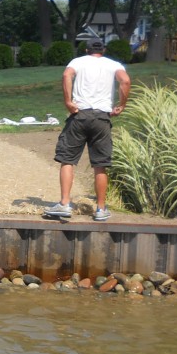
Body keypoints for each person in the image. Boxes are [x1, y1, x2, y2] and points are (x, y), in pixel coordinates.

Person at [46, 38, 131, 221]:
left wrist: (68, 101)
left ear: (86, 49)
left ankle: (65, 203)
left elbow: (66, 75)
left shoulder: (77, 62)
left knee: (68, 159)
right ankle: (100, 209)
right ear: (104, 50)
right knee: (100, 164)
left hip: (80, 115)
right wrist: (121, 105)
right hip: (102, 117)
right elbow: (125, 81)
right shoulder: (113, 64)